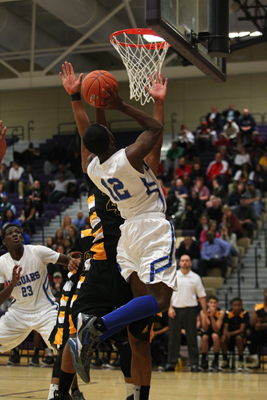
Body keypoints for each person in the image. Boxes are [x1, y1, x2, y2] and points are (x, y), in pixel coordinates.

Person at [55, 63, 169, 400]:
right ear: (111, 142)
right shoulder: (133, 162)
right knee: (148, 318)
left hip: (121, 255)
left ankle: (133, 391)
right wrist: (154, 103)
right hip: (124, 254)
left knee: (137, 342)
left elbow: (87, 132)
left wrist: (83, 97)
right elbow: (155, 137)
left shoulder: (93, 170)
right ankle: (62, 391)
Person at [0, 224, 80, 391]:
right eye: (10, 233)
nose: (15, 234)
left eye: (17, 231)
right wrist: (12, 283)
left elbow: (66, 260)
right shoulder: (2, 263)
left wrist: (72, 261)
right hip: (18, 313)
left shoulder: (37, 251)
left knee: (64, 347)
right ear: (4, 242)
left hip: (46, 310)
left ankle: (71, 390)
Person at [165, 255, 208, 372]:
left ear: (191, 263)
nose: (184, 262)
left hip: (190, 310)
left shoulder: (196, 277)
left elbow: (202, 296)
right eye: (183, 260)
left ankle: (194, 364)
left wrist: (204, 312)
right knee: (173, 339)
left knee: (192, 338)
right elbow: (168, 293)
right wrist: (169, 308)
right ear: (179, 263)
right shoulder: (173, 275)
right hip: (175, 309)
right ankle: (171, 363)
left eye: (187, 261)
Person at [221, 298, 249, 371]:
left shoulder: (244, 314)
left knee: (238, 338)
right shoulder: (228, 313)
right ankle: (225, 359)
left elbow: (241, 330)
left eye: (239, 305)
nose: (237, 307)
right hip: (230, 336)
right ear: (231, 306)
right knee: (223, 338)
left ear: (241, 305)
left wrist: (229, 333)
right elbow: (225, 327)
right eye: (235, 305)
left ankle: (240, 360)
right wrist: (225, 333)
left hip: (241, 336)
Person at [200, 295, 225, 371]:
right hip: (207, 332)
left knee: (215, 335)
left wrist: (211, 316)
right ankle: (204, 360)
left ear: (218, 304)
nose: (213, 305)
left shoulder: (221, 312)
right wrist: (205, 317)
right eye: (211, 303)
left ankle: (216, 360)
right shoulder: (203, 312)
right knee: (204, 337)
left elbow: (216, 329)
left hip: (218, 333)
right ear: (207, 304)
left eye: (214, 303)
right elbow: (205, 328)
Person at [246, 287, 267, 369]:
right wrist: (254, 321)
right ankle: (254, 359)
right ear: (263, 294)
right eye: (266, 292)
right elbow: (251, 323)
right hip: (260, 333)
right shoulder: (257, 307)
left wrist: (262, 325)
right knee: (249, 332)